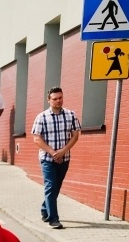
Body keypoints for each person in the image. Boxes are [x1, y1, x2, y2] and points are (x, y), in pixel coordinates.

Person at [31, 87, 81, 230]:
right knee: (51, 186)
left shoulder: (71, 115)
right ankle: (54, 219)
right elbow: (37, 139)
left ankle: (45, 209)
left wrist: (63, 151)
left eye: (60, 98)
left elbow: (75, 135)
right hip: (47, 159)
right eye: (55, 99)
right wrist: (53, 153)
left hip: (64, 158)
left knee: (55, 188)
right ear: (49, 100)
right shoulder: (42, 117)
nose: (58, 101)